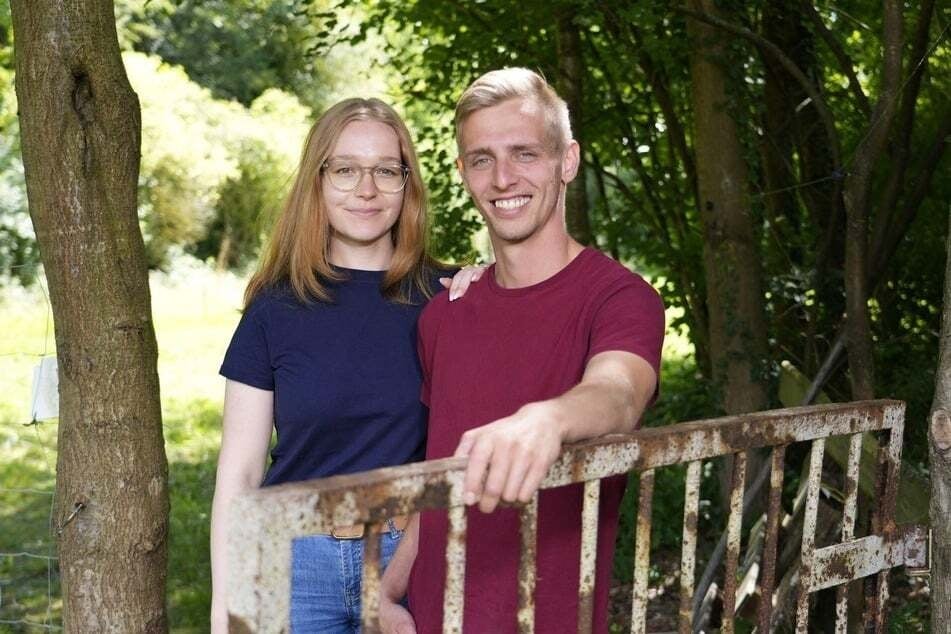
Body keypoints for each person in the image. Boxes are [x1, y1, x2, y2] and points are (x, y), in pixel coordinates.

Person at [379, 68, 665, 634]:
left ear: (568, 161)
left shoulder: (620, 298)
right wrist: (386, 594)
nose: (503, 178)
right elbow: (439, 474)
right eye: (482, 159)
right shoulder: (444, 316)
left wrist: (549, 419)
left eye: (525, 153)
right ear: (463, 173)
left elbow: (619, 391)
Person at [209, 97, 483, 634]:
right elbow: (238, 475)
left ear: (408, 184)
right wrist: (227, 604)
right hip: (295, 563)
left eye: (386, 170)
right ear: (318, 180)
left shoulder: (450, 298)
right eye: (345, 169)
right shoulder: (274, 310)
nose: (366, 189)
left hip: (413, 560)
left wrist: (488, 297)